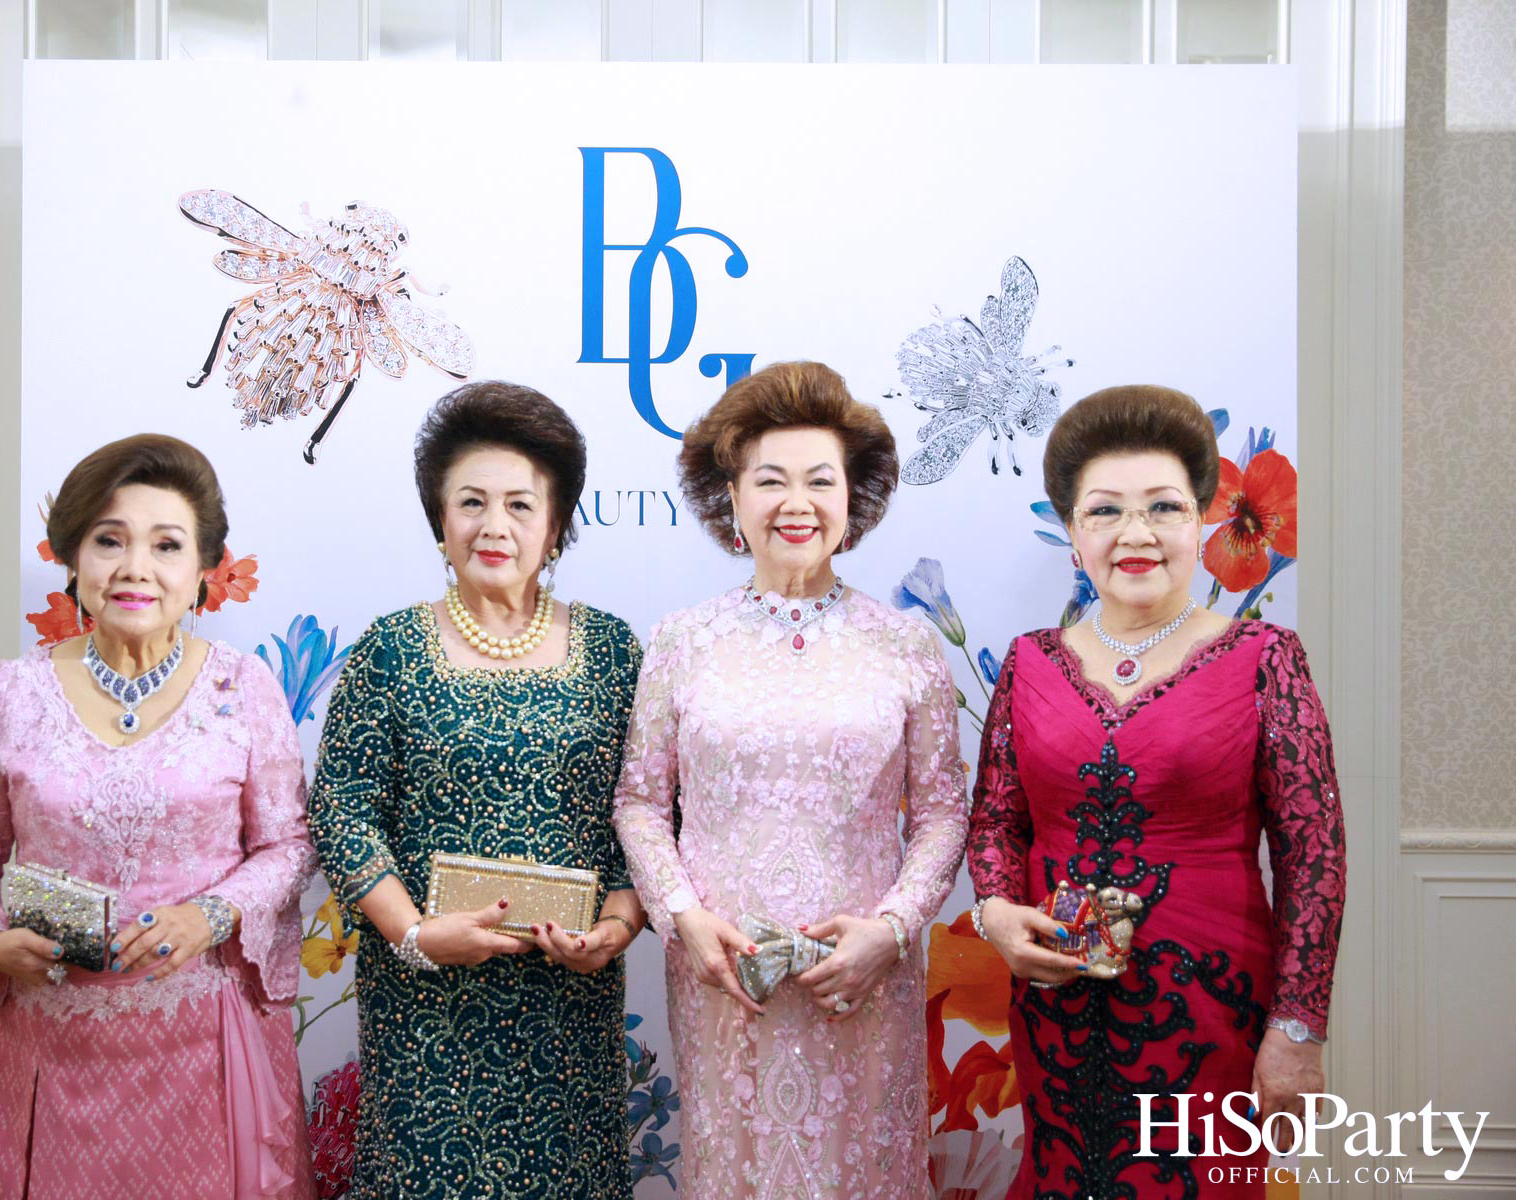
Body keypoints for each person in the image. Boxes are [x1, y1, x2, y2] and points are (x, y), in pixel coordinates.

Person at [967, 384, 1346, 1199]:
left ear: (1201, 524)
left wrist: (1296, 1030)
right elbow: (997, 821)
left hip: (1212, 1014)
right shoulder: (1030, 662)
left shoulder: (1265, 657)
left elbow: (1314, 856)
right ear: (1071, 535)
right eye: (1105, 512)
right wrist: (997, 912)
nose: (1134, 534)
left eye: (1163, 508)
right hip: (1057, 1007)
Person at [0, 433, 315, 1199]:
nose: (135, 568)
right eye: (110, 540)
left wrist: (212, 914)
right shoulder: (13, 692)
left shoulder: (243, 688)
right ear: (73, 560)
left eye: (166, 545)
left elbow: (289, 845)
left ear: (203, 571)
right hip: (51, 1044)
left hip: (208, 1045)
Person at [613, 361, 969, 1199]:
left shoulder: (906, 645)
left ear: (853, 502)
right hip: (726, 983)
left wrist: (894, 927)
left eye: (820, 480)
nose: (795, 503)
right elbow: (638, 803)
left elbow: (945, 816)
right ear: (730, 500)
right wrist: (682, 920)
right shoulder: (683, 641)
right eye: (769, 480)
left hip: (862, 982)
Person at [308, 381, 645, 1200]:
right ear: (440, 520)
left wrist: (619, 923)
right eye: (471, 502)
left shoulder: (611, 650)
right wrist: (417, 935)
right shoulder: (390, 648)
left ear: (557, 523)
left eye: (521, 505)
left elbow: (646, 810)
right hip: (427, 1001)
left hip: (566, 1001)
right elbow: (342, 807)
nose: (495, 525)